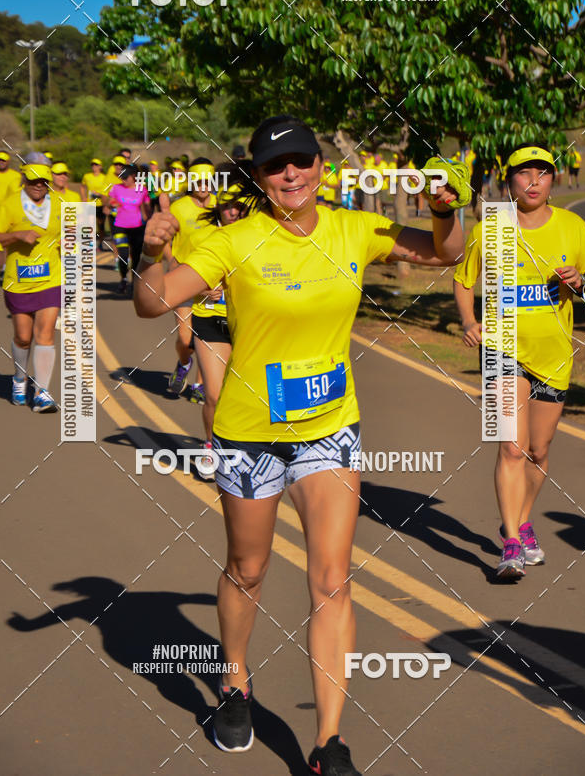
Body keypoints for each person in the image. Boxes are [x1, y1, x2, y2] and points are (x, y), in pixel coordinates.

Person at [134, 115, 466, 776]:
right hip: (250, 435)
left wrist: (443, 209)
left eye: (302, 160)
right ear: (259, 177)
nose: (291, 174)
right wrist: (149, 254)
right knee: (248, 569)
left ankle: (328, 744)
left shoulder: (353, 227)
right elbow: (152, 303)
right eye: (275, 166)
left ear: (320, 165)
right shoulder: (235, 240)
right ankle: (234, 680)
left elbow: (445, 253)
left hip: (329, 428)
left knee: (332, 580)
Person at [454, 143, 585, 580]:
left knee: (538, 451)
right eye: (524, 173)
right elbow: (464, 279)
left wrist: (579, 281)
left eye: (543, 173)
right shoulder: (490, 227)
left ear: (553, 179)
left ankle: (521, 520)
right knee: (511, 447)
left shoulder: (573, 227)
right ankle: (511, 543)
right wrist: (469, 321)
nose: (534, 181)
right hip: (502, 348)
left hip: (554, 354)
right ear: (508, 180)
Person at [172, 179, 247, 472]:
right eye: (227, 206)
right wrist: (202, 289)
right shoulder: (203, 237)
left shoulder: (258, 238)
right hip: (210, 320)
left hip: (249, 324)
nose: (233, 212)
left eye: (238, 207)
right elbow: (181, 274)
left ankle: (247, 447)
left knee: (246, 396)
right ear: (218, 208)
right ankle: (210, 446)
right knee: (214, 394)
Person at [0, 157, 63, 411]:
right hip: (18, 280)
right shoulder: (10, 204)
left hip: (51, 279)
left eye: (43, 181)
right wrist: (17, 235)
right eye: (33, 181)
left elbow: (76, 233)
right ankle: (19, 380)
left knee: (45, 334)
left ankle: (42, 392)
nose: (38, 185)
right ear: (24, 180)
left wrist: (71, 242)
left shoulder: (60, 204)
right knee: (23, 338)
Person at [164, 158, 216, 400]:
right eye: (199, 181)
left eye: (207, 181)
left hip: (212, 282)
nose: (203, 185)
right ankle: (184, 363)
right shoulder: (179, 207)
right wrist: (171, 261)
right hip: (184, 279)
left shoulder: (221, 206)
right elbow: (165, 239)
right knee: (185, 339)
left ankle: (199, 386)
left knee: (206, 338)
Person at [109, 164, 150, 295]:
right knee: (123, 255)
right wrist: (112, 205)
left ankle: (134, 282)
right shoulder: (116, 188)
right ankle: (123, 279)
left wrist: (148, 221)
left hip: (137, 227)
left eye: (126, 177)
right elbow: (110, 202)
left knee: (136, 256)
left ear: (133, 176)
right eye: (122, 177)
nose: (123, 180)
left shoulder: (142, 189)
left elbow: (146, 208)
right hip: (120, 226)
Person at [81, 159, 108, 245]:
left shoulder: (105, 177)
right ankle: (91, 244)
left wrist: (99, 194)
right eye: (92, 165)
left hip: (101, 204)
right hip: (90, 204)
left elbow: (107, 190)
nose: (94, 167)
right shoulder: (87, 176)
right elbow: (82, 186)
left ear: (100, 166)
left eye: (96, 165)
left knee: (101, 225)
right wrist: (83, 197)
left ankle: (100, 244)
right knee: (90, 223)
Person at [0, 151, 21, 222]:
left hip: (9, 214)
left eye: (3, 160)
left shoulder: (16, 176)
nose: (1, 162)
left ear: (8, 161)